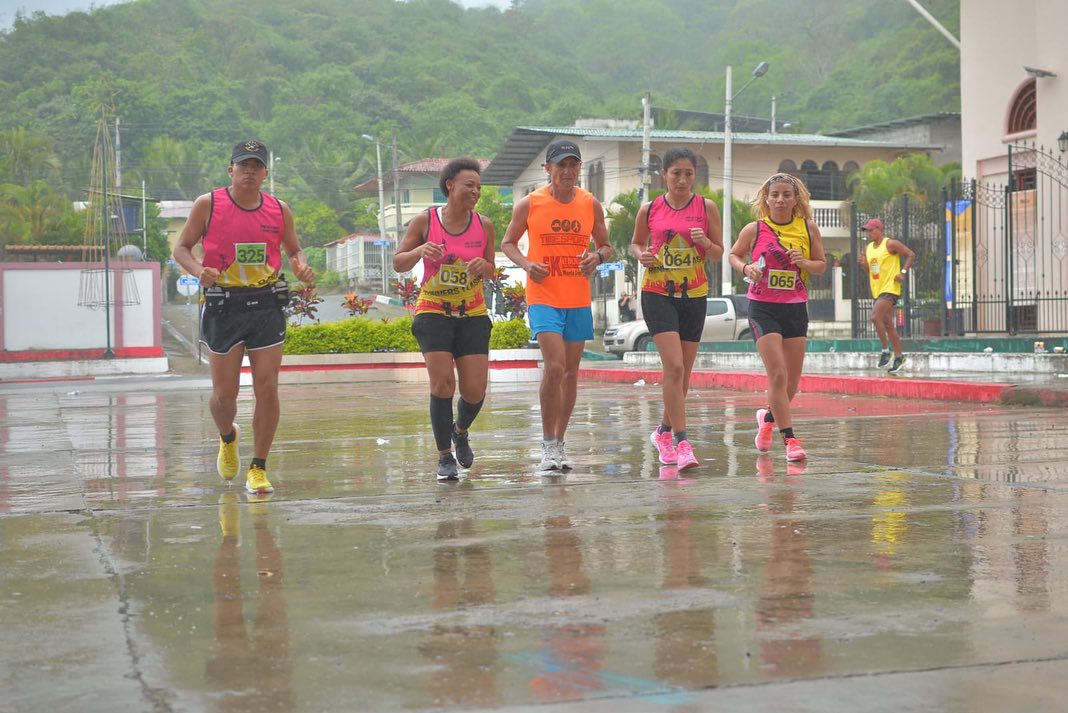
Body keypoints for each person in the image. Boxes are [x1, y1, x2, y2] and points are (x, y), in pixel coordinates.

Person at [173, 140, 315, 495]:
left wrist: (300, 264)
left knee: (268, 387)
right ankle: (227, 436)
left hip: (265, 304)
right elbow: (181, 247)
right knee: (225, 397)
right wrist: (198, 271)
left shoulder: (279, 210)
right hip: (224, 305)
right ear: (231, 170)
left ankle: (259, 467)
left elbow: (294, 248)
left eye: (256, 166)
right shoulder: (209, 204)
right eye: (243, 165)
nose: (249, 171)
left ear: (265, 173)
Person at [501, 139, 610, 472]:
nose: (567, 171)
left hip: (577, 297)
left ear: (579, 169)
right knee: (556, 366)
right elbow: (507, 243)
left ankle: (560, 442)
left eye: (573, 165)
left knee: (572, 372)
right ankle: (547, 443)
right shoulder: (530, 203)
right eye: (561, 165)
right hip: (543, 296)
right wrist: (526, 263)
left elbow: (606, 246)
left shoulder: (590, 203)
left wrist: (597, 257)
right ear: (547, 168)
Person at [392, 158, 496, 481]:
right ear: (449, 185)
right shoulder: (425, 221)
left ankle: (460, 430)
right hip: (434, 311)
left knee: (475, 390)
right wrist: (420, 251)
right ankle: (444, 457)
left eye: (478, 187)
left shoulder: (484, 225)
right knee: (442, 384)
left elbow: (492, 269)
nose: (475, 192)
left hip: (472, 313)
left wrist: (483, 267)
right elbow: (398, 262)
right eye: (469, 185)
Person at [631, 146, 723, 470]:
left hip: (694, 295)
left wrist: (705, 243)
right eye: (676, 174)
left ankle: (662, 432)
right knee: (673, 367)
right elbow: (636, 242)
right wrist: (641, 254)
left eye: (688, 174)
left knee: (683, 374)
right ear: (664, 175)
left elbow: (718, 253)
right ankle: (682, 443)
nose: (682, 180)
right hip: (657, 293)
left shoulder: (706, 207)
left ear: (695, 175)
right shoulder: (650, 208)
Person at [728, 173, 826, 462]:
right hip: (763, 308)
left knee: (792, 383)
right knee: (778, 374)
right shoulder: (755, 229)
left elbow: (821, 265)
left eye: (786, 194)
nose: (780, 199)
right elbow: (733, 255)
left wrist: (804, 262)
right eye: (775, 195)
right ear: (766, 199)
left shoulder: (808, 227)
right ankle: (790, 439)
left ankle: (767, 419)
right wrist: (746, 269)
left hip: (795, 308)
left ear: (796, 199)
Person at [858, 218, 915, 373]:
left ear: (880, 229)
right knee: (888, 324)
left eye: (871, 230)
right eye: (867, 231)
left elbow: (910, 254)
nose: (869, 233)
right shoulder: (868, 248)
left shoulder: (890, 244)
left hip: (890, 289)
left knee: (875, 317)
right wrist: (864, 264)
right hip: (877, 290)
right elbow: (871, 271)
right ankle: (899, 357)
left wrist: (903, 272)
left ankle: (885, 351)